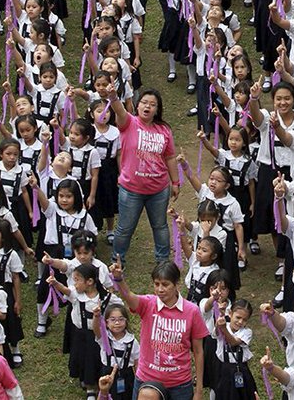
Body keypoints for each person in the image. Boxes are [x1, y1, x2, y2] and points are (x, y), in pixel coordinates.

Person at [101, 84, 178, 264]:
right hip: (131, 189)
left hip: (159, 190)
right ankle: (117, 262)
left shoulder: (164, 130)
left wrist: (175, 182)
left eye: (152, 104)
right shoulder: (129, 122)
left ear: (157, 109)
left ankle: (163, 263)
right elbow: (119, 110)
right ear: (137, 105)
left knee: (160, 226)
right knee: (124, 229)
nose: (147, 106)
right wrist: (113, 96)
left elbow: (170, 157)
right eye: (144, 102)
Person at [110, 258, 207, 400]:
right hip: (146, 380)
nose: (160, 289)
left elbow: (198, 351)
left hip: (179, 384)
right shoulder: (148, 304)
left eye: (165, 284)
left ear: (177, 284)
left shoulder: (192, 311)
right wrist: (119, 279)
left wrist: (198, 390)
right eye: (156, 284)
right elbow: (129, 296)